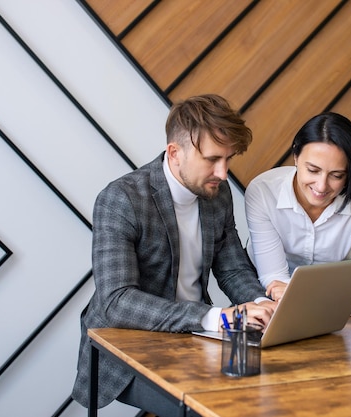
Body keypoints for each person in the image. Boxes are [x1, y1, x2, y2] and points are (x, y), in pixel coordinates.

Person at [71, 94, 276, 414]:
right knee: (211, 408)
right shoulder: (121, 198)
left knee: (267, 393)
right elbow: (116, 302)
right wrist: (217, 318)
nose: (223, 174)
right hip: (127, 345)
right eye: (212, 159)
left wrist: (264, 305)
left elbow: (233, 269)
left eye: (228, 159)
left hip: (196, 336)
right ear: (174, 153)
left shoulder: (216, 194)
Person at [245, 112, 351, 315]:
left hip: (332, 310)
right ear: (295, 156)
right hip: (267, 298)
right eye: (312, 170)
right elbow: (273, 279)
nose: (321, 186)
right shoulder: (263, 191)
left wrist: (303, 298)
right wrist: (324, 299)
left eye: (336, 175)